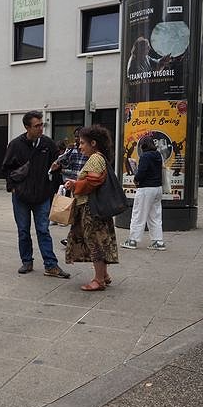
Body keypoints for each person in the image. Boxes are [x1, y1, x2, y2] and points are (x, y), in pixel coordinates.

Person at [2, 110, 70, 278]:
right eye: (37, 126)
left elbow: (58, 165)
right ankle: (27, 261)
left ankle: (51, 265)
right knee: (23, 230)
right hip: (21, 196)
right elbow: (6, 168)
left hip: (42, 195)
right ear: (27, 127)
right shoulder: (15, 145)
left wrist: (56, 171)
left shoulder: (48, 144)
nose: (41, 128)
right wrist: (13, 187)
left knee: (43, 230)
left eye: (42, 125)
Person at [63, 125, 119, 291]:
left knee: (94, 242)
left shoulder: (95, 158)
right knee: (100, 240)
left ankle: (98, 280)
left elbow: (93, 182)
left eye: (82, 143)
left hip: (91, 209)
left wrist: (75, 185)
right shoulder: (101, 158)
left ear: (93, 143)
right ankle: (104, 275)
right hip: (95, 208)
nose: (79, 147)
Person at [122, 136, 166, 251]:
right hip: (157, 188)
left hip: (146, 189)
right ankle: (158, 241)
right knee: (155, 215)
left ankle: (133, 240)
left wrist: (136, 177)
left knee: (138, 214)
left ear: (143, 146)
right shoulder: (158, 155)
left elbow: (141, 173)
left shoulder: (145, 156)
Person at [54, 127, 88, 246]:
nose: (77, 139)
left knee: (83, 214)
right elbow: (63, 163)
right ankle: (74, 238)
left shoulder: (89, 150)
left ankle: (81, 239)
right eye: (76, 136)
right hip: (74, 186)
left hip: (86, 186)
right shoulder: (72, 150)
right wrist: (66, 153)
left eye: (79, 137)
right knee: (76, 214)